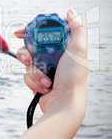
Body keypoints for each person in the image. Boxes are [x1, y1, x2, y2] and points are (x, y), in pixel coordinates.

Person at [15, 9, 88, 139]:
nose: (49, 49)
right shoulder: (62, 30)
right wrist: (65, 104)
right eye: (44, 38)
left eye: (52, 37)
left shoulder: (34, 32)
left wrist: (65, 102)